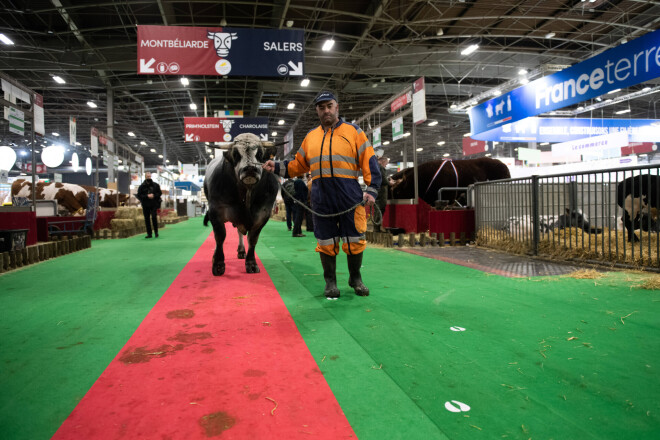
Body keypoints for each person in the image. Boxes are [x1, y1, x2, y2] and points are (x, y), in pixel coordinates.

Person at [263, 91, 381, 299]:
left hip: (349, 195)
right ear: (317, 110)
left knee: (355, 238)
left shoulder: (354, 132)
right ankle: (330, 282)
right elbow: (298, 164)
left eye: (329, 106)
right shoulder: (311, 137)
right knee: (326, 241)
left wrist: (372, 189)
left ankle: (355, 278)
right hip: (321, 197)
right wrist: (278, 166)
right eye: (321, 107)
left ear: (337, 107)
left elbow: (369, 161)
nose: (326, 110)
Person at [137, 171, 162, 238]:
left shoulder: (156, 185)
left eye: (150, 176)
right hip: (145, 205)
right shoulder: (141, 186)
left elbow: (159, 193)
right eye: (147, 176)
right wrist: (147, 196)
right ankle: (149, 234)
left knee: (154, 217)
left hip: (154, 204)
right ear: (145, 177)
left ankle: (156, 232)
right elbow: (139, 195)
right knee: (147, 219)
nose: (149, 177)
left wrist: (154, 195)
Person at [375, 151, 390, 230]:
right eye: (386, 163)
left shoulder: (376, 167)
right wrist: (390, 182)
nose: (386, 165)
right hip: (381, 192)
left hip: (378, 191)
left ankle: (376, 228)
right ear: (382, 161)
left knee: (378, 209)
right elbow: (383, 181)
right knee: (380, 209)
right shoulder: (381, 168)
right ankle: (377, 229)